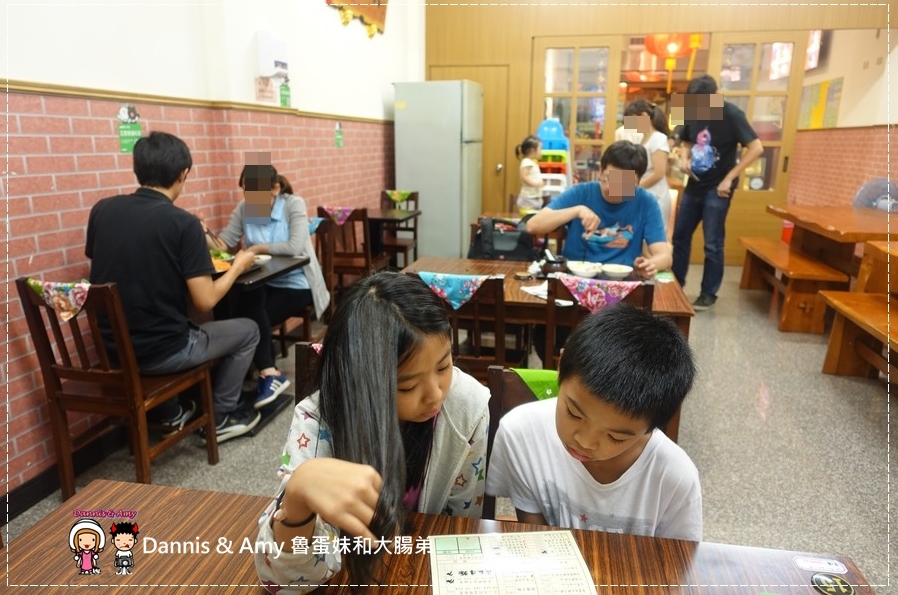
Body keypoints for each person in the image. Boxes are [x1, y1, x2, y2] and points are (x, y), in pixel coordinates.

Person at [254, 272, 490, 592]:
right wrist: (297, 501)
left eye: (444, 366)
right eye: (407, 385)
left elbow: (460, 526)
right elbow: (281, 580)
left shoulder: (467, 406)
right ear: (361, 382)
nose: (435, 394)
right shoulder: (318, 421)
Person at [86, 131, 261, 443]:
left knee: (166, 323)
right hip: (162, 352)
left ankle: (171, 413)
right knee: (248, 330)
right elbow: (205, 301)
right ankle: (220, 416)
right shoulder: (183, 224)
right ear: (184, 174)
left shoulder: (102, 210)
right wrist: (236, 266)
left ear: (137, 169)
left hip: (112, 350)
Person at [486, 304, 702, 542]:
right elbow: (536, 539)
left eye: (615, 437)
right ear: (560, 367)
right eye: (574, 413)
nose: (585, 442)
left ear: (652, 426)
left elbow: (678, 562)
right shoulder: (521, 433)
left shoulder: (675, 476)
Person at [205, 163, 330, 408]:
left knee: (249, 317)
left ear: (274, 189)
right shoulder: (244, 208)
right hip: (264, 282)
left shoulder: (293, 204)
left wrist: (255, 249)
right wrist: (202, 232)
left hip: (297, 283)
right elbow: (223, 244)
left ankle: (262, 375)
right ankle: (261, 374)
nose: (249, 200)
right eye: (245, 193)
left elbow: (295, 246)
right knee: (237, 303)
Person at [671, 75, 764, 311]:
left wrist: (730, 178)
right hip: (694, 185)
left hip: (718, 188)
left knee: (712, 243)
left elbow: (756, 147)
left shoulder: (732, 114)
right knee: (680, 235)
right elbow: (684, 141)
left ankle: (708, 293)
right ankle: (676, 283)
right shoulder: (692, 112)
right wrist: (684, 159)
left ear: (716, 94)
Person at [526, 140, 671, 276]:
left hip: (623, 282)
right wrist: (577, 210)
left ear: (638, 181)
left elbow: (664, 256)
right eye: (610, 178)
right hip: (576, 278)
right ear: (601, 171)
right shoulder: (580, 193)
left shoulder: (646, 202)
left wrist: (650, 264)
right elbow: (532, 226)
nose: (613, 187)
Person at [619, 99, 672, 232]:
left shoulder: (658, 138)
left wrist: (633, 187)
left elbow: (659, 173)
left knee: (653, 234)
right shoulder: (644, 138)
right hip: (645, 193)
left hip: (656, 195)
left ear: (643, 116)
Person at [515, 135, 545, 211]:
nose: (542, 151)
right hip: (528, 198)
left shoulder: (532, 162)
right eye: (540, 149)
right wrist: (536, 184)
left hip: (533, 197)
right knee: (529, 219)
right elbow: (524, 177)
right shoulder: (526, 162)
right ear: (532, 150)